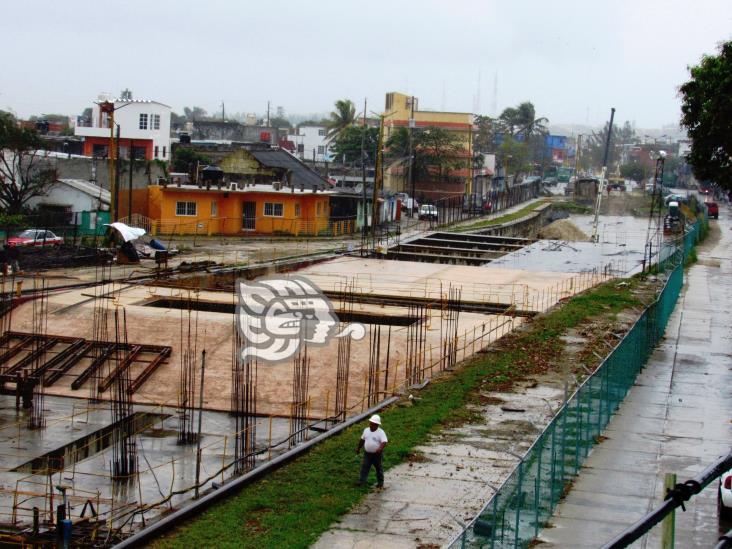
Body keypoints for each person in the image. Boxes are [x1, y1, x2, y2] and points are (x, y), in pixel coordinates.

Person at [356, 414, 388, 488]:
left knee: (378, 468)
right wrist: (358, 448)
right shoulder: (366, 430)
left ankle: (380, 482)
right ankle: (362, 481)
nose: (372, 426)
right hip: (367, 454)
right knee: (365, 467)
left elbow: (384, 441)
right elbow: (362, 439)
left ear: (377, 425)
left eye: (374, 424)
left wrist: (380, 448)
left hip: (376, 454)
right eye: (371, 424)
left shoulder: (381, 432)